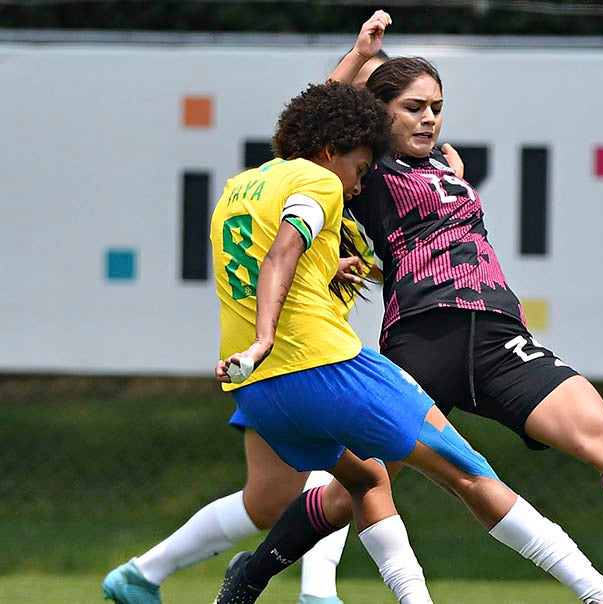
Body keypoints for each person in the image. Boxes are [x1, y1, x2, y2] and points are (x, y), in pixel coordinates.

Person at [223, 24, 603, 599]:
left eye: (437, 107)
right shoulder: (367, 169)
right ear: (377, 117)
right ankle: (253, 575)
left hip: (499, 335)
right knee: (356, 485)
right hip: (423, 337)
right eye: (413, 108)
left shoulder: (443, 168)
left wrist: (450, 178)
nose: (429, 119)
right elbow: (305, 141)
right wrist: (358, 59)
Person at [101, 14, 397, 604]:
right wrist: (358, 55)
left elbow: (312, 129)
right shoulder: (330, 171)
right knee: (352, 461)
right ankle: (319, 592)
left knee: (266, 502)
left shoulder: (359, 171)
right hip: (298, 351)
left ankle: (139, 575)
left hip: (269, 361)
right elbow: (314, 129)